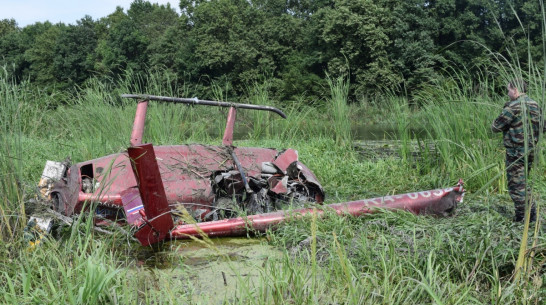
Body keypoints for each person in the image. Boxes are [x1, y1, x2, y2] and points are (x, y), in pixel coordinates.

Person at [492, 79, 544, 222]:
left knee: (516, 185)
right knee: (523, 182)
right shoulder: (535, 105)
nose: (508, 93)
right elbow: (543, 127)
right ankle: (530, 212)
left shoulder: (512, 107)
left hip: (515, 152)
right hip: (530, 151)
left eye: (508, 90)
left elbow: (496, 127)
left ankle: (524, 217)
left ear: (515, 90)